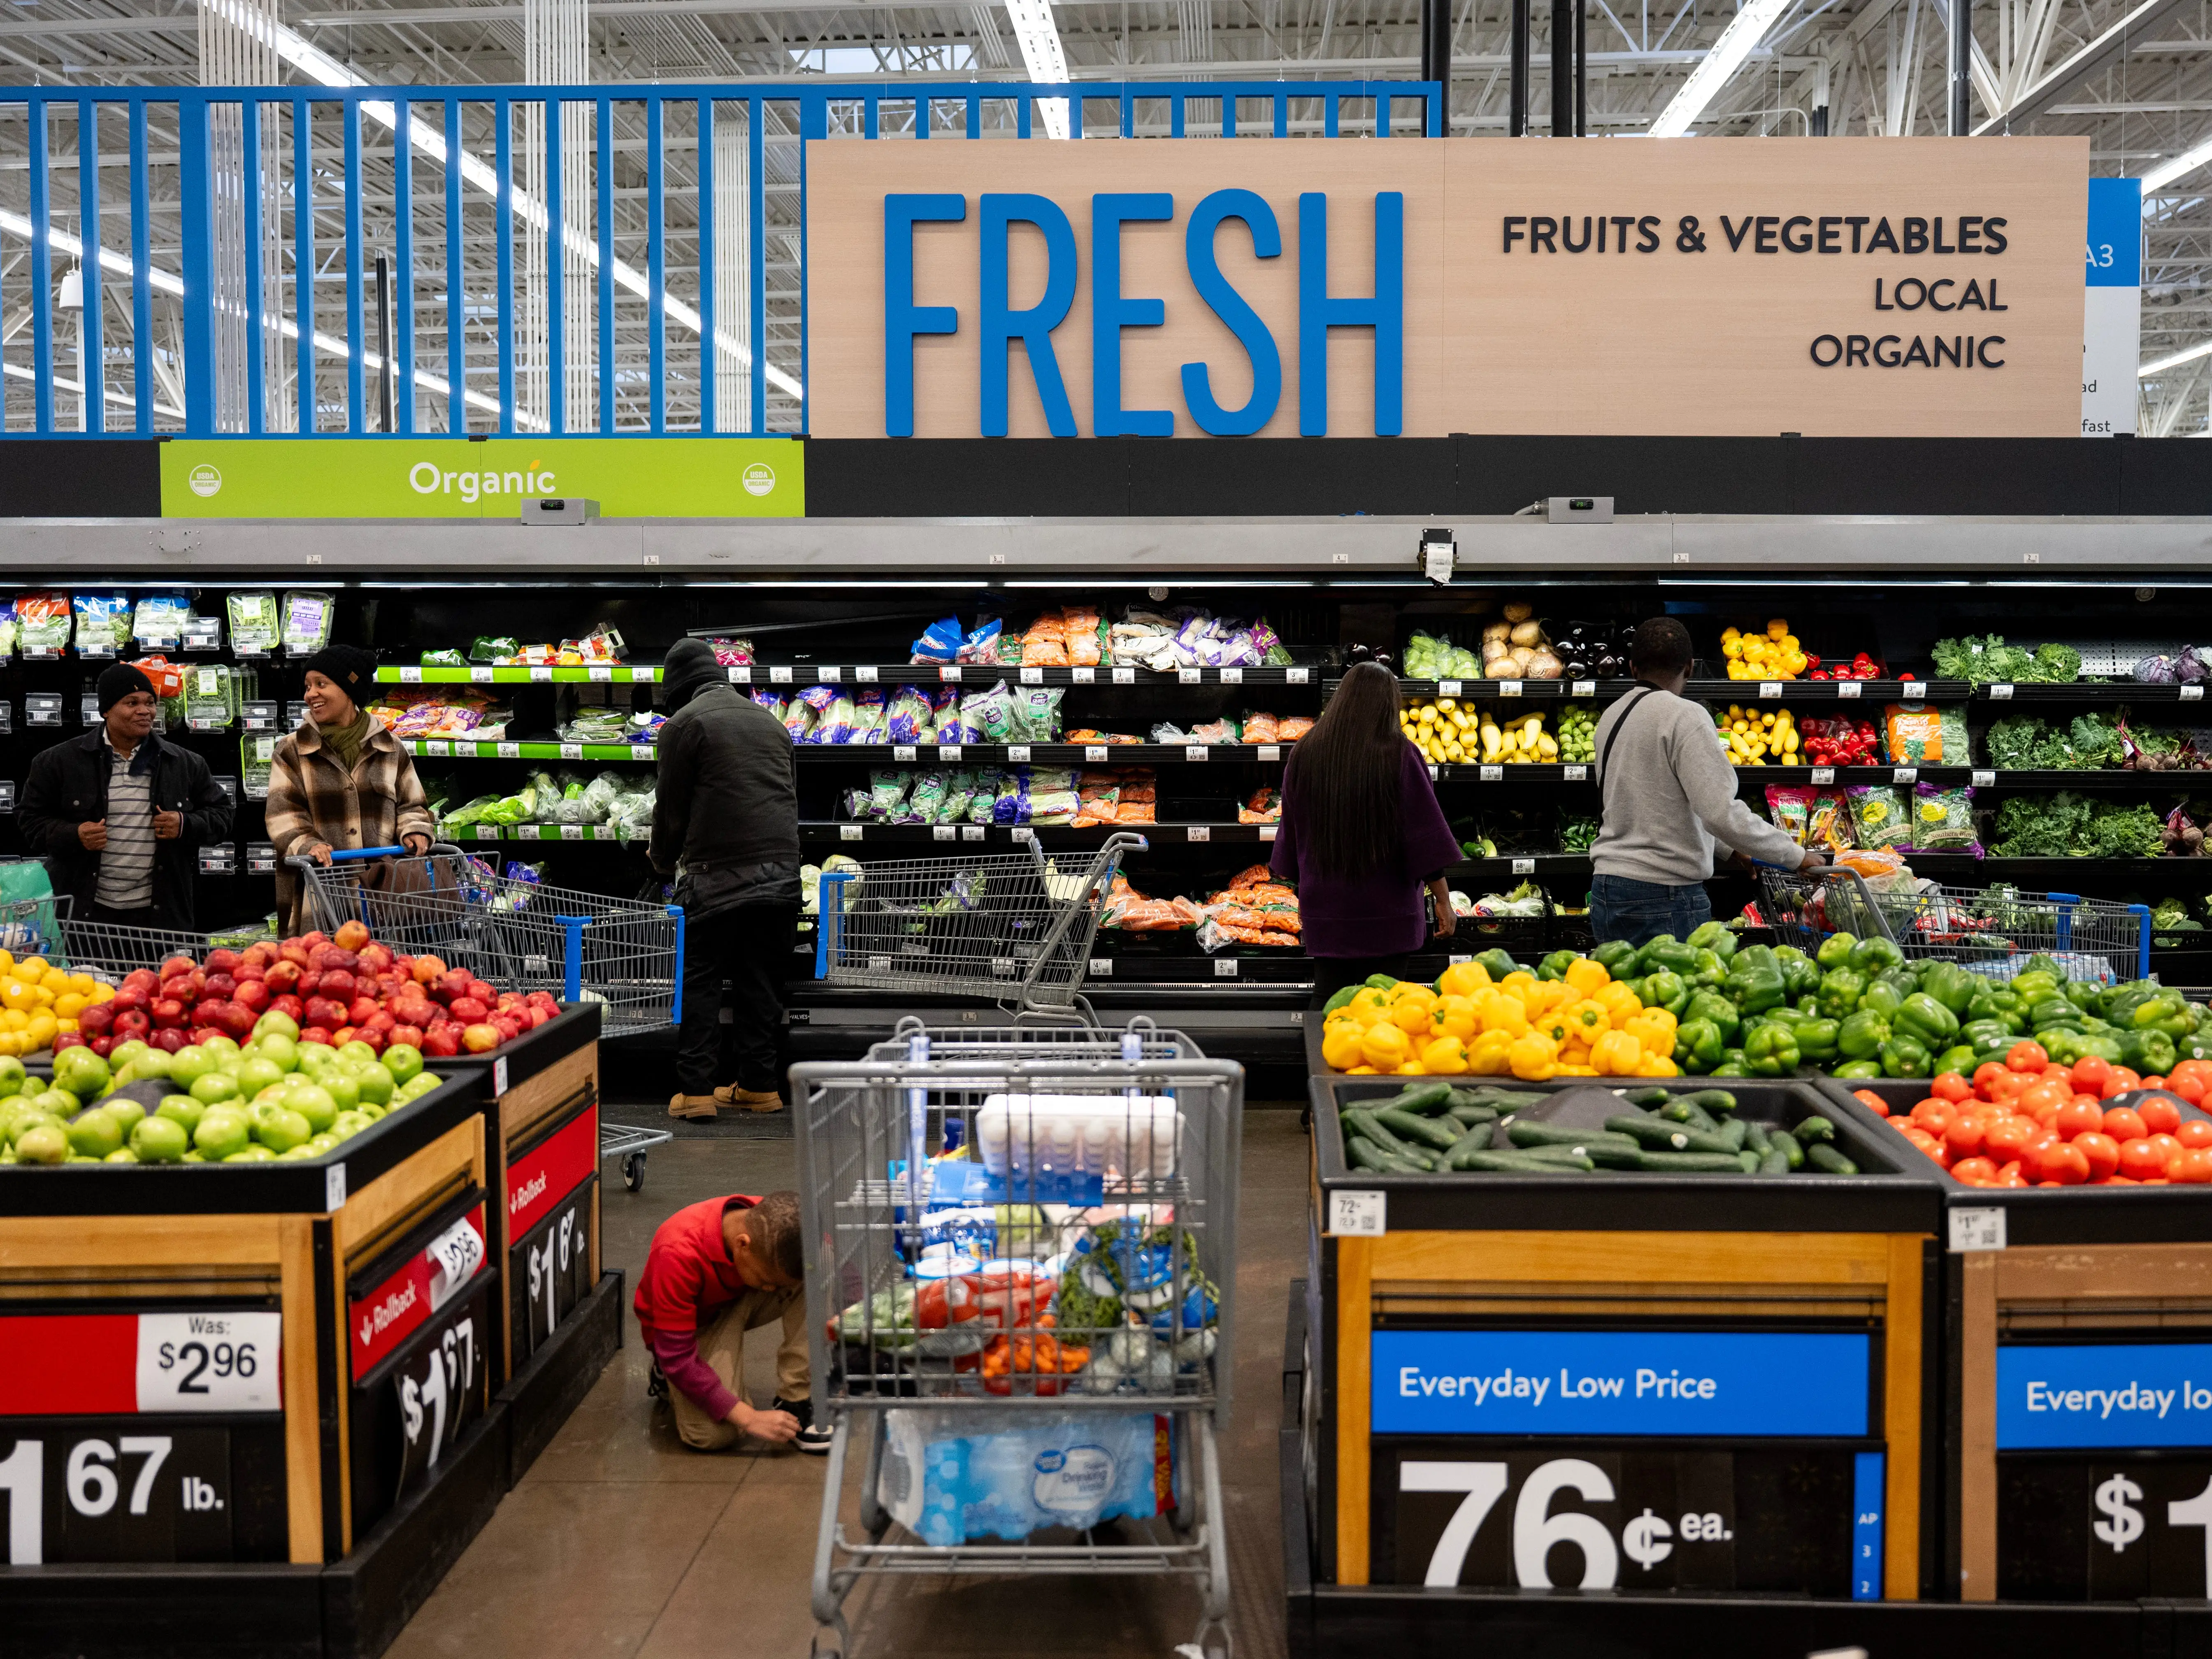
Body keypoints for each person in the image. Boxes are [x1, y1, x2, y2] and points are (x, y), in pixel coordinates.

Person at [1589, 617, 1824, 947]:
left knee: (1624, 998)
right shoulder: (1686, 716)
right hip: (1664, 896)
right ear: (1690, 667)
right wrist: (1793, 855)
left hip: (1607, 890)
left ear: (1632, 667)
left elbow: (1650, 800)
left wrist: (1728, 848)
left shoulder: (1611, 716)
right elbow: (1718, 810)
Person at [651, 637, 802, 1121]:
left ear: (678, 690)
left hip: (716, 876)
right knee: (762, 981)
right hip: (781, 875)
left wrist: (660, 863)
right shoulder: (772, 724)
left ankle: (696, 1092)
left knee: (702, 980)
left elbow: (670, 810)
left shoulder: (684, 724)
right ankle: (760, 1087)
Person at [1270, 660, 1462, 1006]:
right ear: (1390, 704)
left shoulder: (1306, 752)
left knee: (1330, 1000)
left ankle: (1320, 1057)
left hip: (1327, 907)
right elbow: (1423, 835)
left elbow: (1292, 832)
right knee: (1385, 1008)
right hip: (1389, 912)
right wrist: (1444, 901)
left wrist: (1306, 887)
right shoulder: (1400, 753)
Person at [18, 663, 233, 930]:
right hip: (83, 916)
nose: (145, 711)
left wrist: (185, 824)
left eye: (150, 703)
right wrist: (73, 834)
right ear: (106, 710)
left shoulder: (184, 763)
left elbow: (222, 815)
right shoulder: (58, 762)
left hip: (160, 917)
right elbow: (30, 820)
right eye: (132, 703)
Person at [633, 1189, 830, 1455]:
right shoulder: (677, 1252)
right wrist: (749, 1418)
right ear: (743, 1244)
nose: (771, 1290)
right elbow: (678, 1357)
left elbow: (832, 1254)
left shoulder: (777, 1222)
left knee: (822, 1260)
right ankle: (664, 1374)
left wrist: (847, 1320)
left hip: (737, 1296)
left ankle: (796, 1399)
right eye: (766, 1281)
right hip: (694, 1326)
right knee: (712, 1435)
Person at [263, 644, 435, 935]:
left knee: (381, 975)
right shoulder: (292, 750)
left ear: (350, 690)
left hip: (380, 897)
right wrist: (308, 844)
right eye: (307, 687)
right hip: (318, 895)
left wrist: (415, 829)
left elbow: (412, 804)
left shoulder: (389, 747)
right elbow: (283, 813)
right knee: (321, 973)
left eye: (322, 684)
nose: (310, 695)